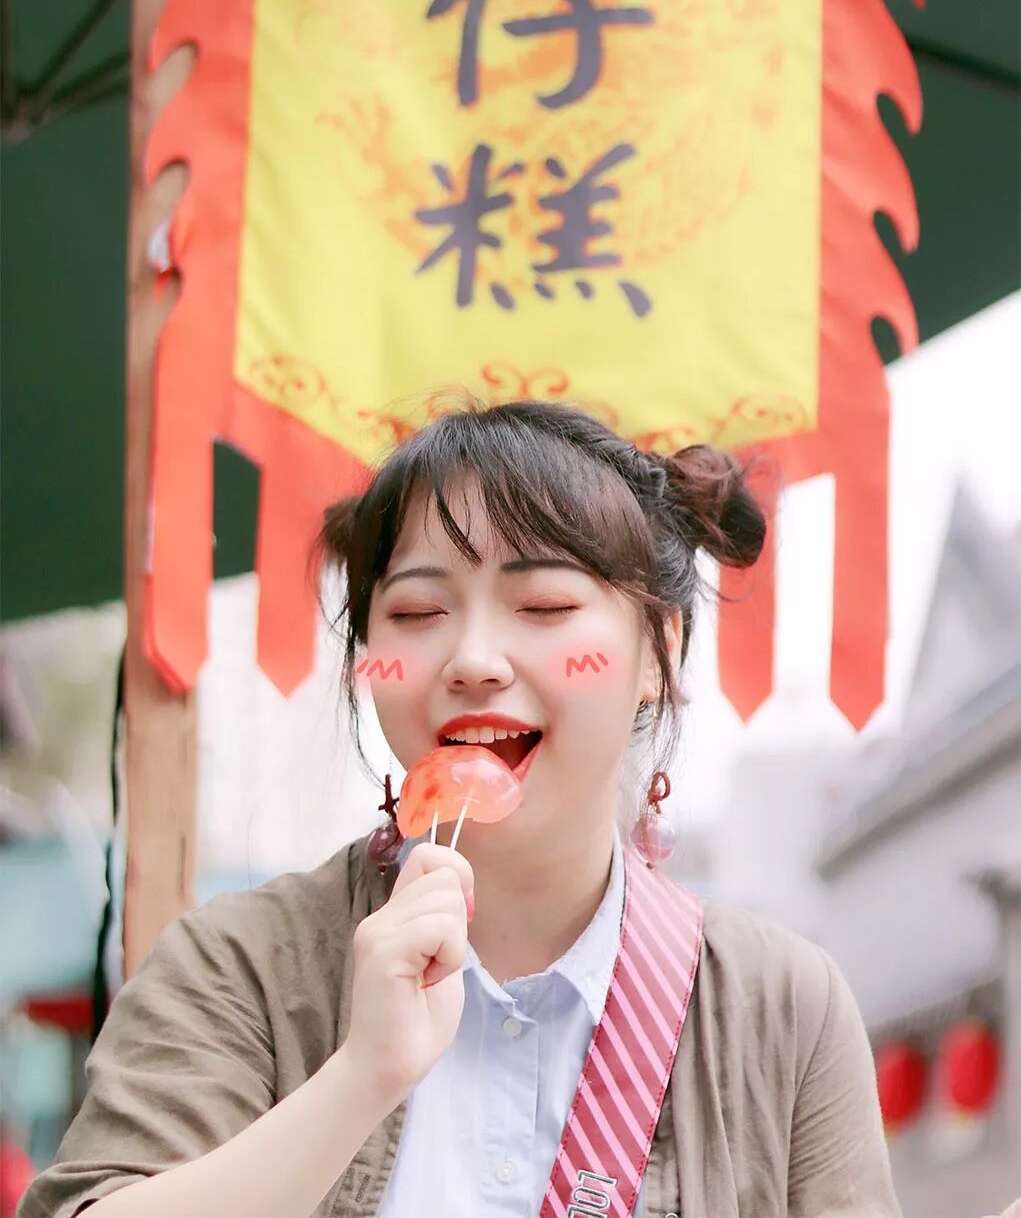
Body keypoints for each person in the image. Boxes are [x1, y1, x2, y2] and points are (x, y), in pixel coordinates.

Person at [17, 400, 900, 1218]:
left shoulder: (781, 1006)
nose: (473, 659)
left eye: (544, 604)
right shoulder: (236, 965)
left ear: (655, 650)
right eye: (417, 611)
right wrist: (362, 1076)